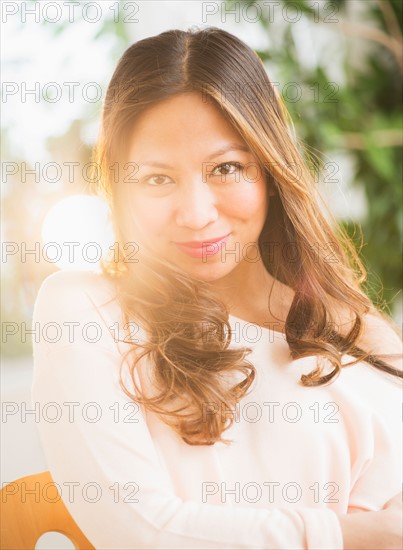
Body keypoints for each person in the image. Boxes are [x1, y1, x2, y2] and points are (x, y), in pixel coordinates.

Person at [31, 27, 402, 549]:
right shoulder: (84, 309)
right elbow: (142, 533)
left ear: (270, 170)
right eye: (158, 179)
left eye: (226, 168)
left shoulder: (359, 333)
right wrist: (350, 535)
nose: (197, 214)